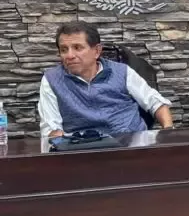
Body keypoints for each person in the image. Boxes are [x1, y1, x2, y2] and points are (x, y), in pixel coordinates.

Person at [38, 21, 173, 147]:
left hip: (131, 145)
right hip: (82, 149)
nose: (69, 55)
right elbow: (52, 130)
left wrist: (168, 135)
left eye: (77, 48)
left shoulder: (122, 72)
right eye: (64, 50)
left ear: (97, 51)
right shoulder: (52, 80)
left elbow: (157, 104)